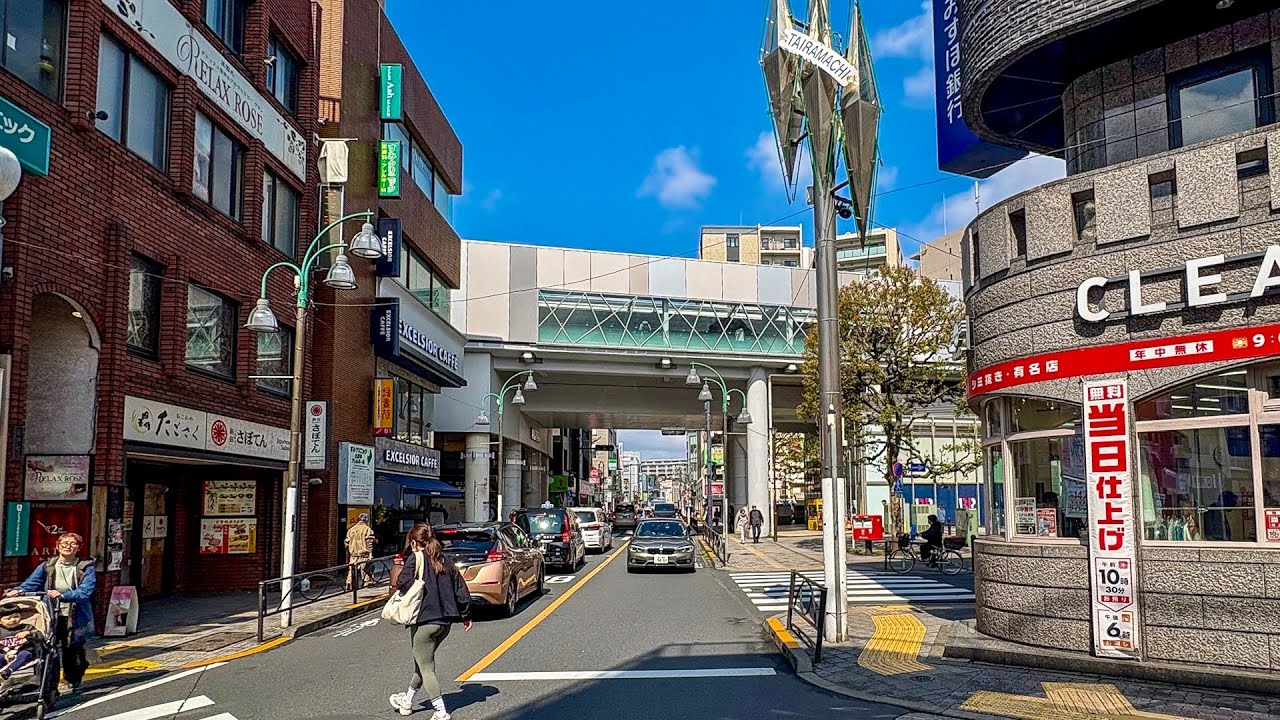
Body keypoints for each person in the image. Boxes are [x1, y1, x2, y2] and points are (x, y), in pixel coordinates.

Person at [388, 524, 472, 719]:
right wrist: (466, 615)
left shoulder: (416, 558)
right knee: (422, 662)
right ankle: (407, 702)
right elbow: (461, 590)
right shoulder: (445, 560)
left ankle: (440, 711)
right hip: (445, 623)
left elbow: (401, 583)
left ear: (414, 542)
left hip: (424, 621)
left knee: (426, 668)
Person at [7, 533, 95, 693]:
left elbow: (86, 591)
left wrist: (63, 595)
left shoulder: (85, 567)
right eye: (64, 543)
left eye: (73, 543)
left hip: (75, 616)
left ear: (78, 548)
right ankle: (49, 685)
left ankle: (74, 678)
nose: (68, 546)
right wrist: (18, 591)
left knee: (72, 650)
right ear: (57, 546)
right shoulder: (48, 565)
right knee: (48, 649)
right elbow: (33, 582)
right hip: (50, 614)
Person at [0, 603, 37, 692]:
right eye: (8, 618)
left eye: (16, 616)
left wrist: (29, 633)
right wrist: (7, 652)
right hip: (5, 654)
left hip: (22, 652)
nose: (13, 620)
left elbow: (39, 635)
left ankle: (8, 670)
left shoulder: (27, 627)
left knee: (26, 653)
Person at [345, 513, 376, 591]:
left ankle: (349, 583)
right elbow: (369, 542)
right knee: (366, 568)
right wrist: (370, 554)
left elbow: (346, 542)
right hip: (363, 553)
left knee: (352, 569)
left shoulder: (351, 530)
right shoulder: (367, 529)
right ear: (366, 520)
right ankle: (366, 582)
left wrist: (348, 552)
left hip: (353, 554)